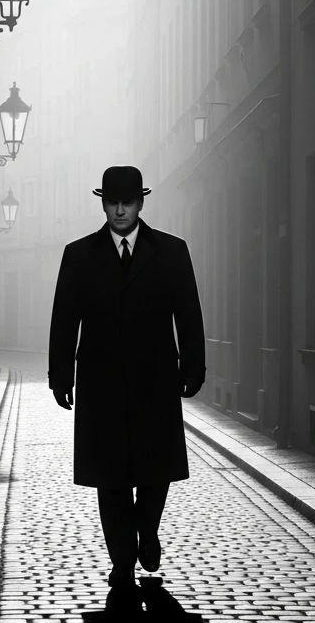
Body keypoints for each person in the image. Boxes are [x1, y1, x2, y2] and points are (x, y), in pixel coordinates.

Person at [48, 166, 205, 590]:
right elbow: (65, 318)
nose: (120, 209)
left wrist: (193, 365)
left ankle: (148, 530)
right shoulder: (79, 255)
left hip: (155, 379)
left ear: (140, 202)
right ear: (103, 203)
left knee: (155, 470)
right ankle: (122, 559)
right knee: (110, 476)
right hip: (101, 383)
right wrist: (61, 375)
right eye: (113, 201)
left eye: (128, 201)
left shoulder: (171, 252)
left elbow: (188, 313)